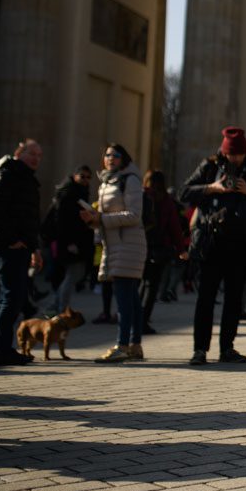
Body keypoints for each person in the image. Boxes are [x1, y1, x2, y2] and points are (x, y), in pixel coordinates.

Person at [181, 127, 246, 365]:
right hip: (212, 242)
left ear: (245, 153)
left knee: (233, 300)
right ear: (223, 152)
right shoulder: (208, 168)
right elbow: (184, 192)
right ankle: (200, 349)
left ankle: (227, 348)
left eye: (239, 154)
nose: (235, 159)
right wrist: (212, 188)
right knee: (205, 299)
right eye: (231, 154)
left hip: (239, 245)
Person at [83, 144, 148, 363]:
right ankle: (135, 345)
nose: (111, 158)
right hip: (115, 244)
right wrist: (95, 220)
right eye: (107, 154)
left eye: (116, 155)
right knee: (131, 298)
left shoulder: (129, 180)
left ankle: (122, 344)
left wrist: (100, 219)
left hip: (128, 245)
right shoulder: (107, 182)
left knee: (123, 300)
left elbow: (134, 215)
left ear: (124, 159)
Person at [0, 140, 43, 365]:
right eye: (31, 153)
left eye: (39, 155)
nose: (36, 159)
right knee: (10, 298)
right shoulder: (9, 175)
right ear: (18, 152)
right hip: (8, 248)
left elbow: (29, 219)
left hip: (20, 247)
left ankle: (2, 347)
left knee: (12, 298)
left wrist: (34, 248)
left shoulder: (26, 178)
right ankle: (1, 349)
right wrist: (10, 240)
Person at [139, 170, 185, 335]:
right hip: (160, 248)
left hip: (140, 246)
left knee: (141, 284)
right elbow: (174, 227)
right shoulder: (166, 201)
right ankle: (143, 320)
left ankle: (134, 319)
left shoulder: (140, 196)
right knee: (152, 287)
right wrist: (181, 249)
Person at [46, 165, 95, 317]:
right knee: (73, 274)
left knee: (73, 274)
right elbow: (63, 221)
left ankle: (57, 305)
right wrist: (69, 243)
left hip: (76, 241)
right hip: (70, 242)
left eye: (88, 177)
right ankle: (61, 309)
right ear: (75, 176)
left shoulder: (79, 193)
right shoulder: (69, 194)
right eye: (82, 176)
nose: (85, 180)